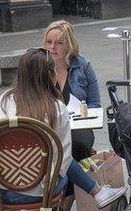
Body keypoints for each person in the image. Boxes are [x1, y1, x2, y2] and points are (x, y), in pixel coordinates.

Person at [0, 50, 126, 211]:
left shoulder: (3, 101)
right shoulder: (55, 108)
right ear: (51, 75)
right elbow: (62, 161)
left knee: (52, 165)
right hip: (40, 192)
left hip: (2, 191)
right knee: (57, 165)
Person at [42, 21, 99, 164]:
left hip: (78, 125)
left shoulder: (83, 65)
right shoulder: (39, 67)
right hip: (47, 125)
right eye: (48, 42)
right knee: (51, 146)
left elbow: (94, 104)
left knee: (78, 143)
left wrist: (83, 118)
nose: (52, 47)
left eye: (59, 43)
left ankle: (75, 185)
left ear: (69, 45)